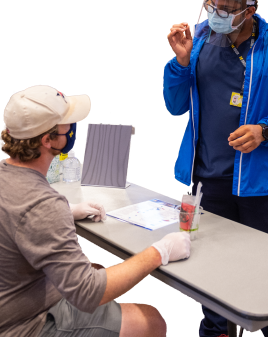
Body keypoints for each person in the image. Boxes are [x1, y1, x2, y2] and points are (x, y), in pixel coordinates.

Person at [164, 0, 268, 337]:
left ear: (251, 8)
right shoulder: (197, 41)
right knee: (211, 267)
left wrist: (265, 129)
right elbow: (175, 105)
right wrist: (180, 61)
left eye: (226, 7)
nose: (217, 14)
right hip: (207, 177)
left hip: (262, 183)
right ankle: (216, 330)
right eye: (211, 4)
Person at [0, 85, 191, 337]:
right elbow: (87, 293)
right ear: (48, 140)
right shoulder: (42, 205)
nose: (72, 128)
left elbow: (18, 218)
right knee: (151, 322)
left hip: (14, 298)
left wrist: (66, 212)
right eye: (66, 123)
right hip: (23, 325)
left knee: (98, 269)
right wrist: (159, 251)